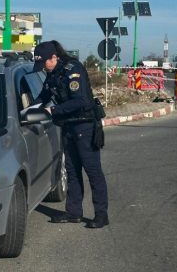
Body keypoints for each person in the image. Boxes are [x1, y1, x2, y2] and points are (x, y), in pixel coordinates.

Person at [32, 40, 109, 229]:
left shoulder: (73, 70)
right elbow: (43, 96)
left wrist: (54, 111)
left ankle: (101, 214)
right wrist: (28, 110)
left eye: (45, 64)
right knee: (72, 170)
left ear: (54, 57)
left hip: (84, 126)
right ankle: (74, 212)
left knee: (92, 171)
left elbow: (80, 101)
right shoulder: (52, 73)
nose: (44, 68)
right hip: (68, 127)